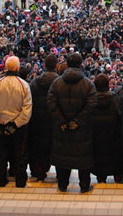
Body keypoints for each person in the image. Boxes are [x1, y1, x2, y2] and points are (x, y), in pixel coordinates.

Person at [47, 53, 97, 193]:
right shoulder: (88, 83)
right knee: (83, 157)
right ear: (81, 65)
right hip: (82, 129)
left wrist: (61, 121)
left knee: (62, 156)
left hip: (61, 128)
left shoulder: (56, 83)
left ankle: (62, 185)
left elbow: (51, 104)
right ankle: (84, 185)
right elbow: (92, 104)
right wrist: (78, 121)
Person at [0, 55, 33, 188]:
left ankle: (0, 180)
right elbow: (27, 110)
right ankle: (20, 181)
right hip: (19, 127)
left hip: (1, 125)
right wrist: (15, 124)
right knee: (20, 155)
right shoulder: (23, 85)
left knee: (1, 154)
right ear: (17, 68)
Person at [28, 55, 59, 182]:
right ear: (56, 66)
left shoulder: (35, 82)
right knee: (55, 146)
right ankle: (60, 174)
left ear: (44, 66)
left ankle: (38, 171)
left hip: (37, 120)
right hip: (54, 120)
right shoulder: (60, 82)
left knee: (38, 146)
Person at [91, 73, 123, 185]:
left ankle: (101, 178)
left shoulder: (92, 99)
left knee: (99, 156)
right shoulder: (115, 98)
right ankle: (118, 176)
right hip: (114, 134)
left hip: (97, 134)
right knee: (115, 155)